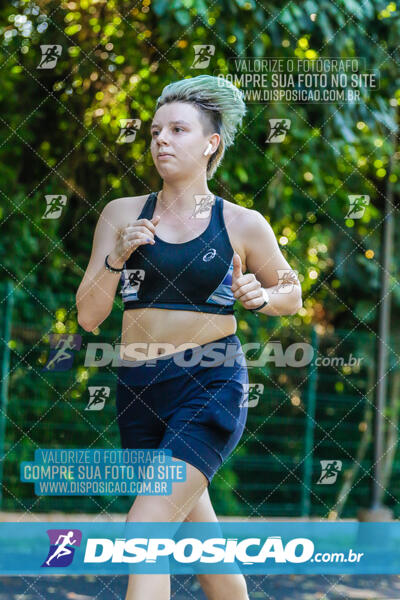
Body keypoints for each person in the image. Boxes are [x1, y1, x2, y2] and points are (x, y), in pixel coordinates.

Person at [76, 74, 302, 600]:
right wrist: (116, 258)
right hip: (139, 390)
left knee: (145, 532)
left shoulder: (243, 223)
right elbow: (89, 317)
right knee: (206, 551)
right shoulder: (121, 214)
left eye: (178, 129)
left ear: (210, 144)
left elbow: (292, 291)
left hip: (210, 382)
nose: (161, 140)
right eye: (156, 131)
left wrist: (262, 296)